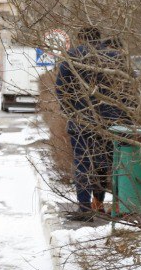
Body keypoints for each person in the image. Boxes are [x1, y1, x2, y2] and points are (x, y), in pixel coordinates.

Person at [54, 28, 130, 220]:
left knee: (83, 163)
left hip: (81, 120)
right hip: (111, 121)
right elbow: (127, 89)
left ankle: (84, 208)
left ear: (81, 39)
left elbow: (61, 89)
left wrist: (71, 111)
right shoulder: (116, 57)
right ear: (100, 38)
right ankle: (100, 203)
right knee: (105, 162)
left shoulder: (71, 57)